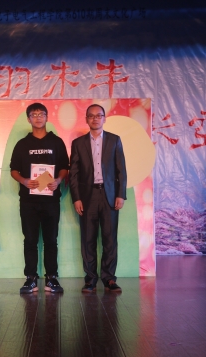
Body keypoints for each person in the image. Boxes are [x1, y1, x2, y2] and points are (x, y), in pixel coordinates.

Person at [10, 102, 69, 293]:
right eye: (34, 114)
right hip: (29, 201)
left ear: (47, 117)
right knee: (30, 240)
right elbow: (13, 169)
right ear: (28, 119)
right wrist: (24, 181)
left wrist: (58, 180)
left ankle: (52, 278)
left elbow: (64, 167)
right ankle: (31, 278)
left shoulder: (56, 142)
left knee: (51, 240)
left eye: (41, 114)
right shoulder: (22, 144)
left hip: (51, 200)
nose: (38, 117)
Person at [69, 104, 127, 292]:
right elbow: (73, 174)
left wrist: (121, 194)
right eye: (91, 116)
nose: (95, 119)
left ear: (104, 118)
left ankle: (109, 278)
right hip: (87, 197)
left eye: (99, 115)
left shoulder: (114, 140)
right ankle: (91, 279)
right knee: (88, 239)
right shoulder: (78, 143)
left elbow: (121, 170)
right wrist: (76, 198)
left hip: (109, 196)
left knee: (110, 239)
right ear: (86, 119)